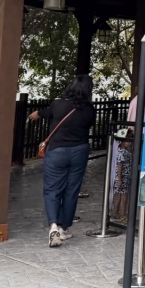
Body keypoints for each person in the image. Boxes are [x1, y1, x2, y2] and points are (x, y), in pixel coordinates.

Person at [29, 74, 97, 248]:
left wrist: (37, 113)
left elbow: (46, 113)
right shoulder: (90, 109)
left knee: (52, 189)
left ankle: (53, 226)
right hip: (80, 151)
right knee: (71, 189)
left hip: (57, 151)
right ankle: (64, 229)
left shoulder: (58, 104)